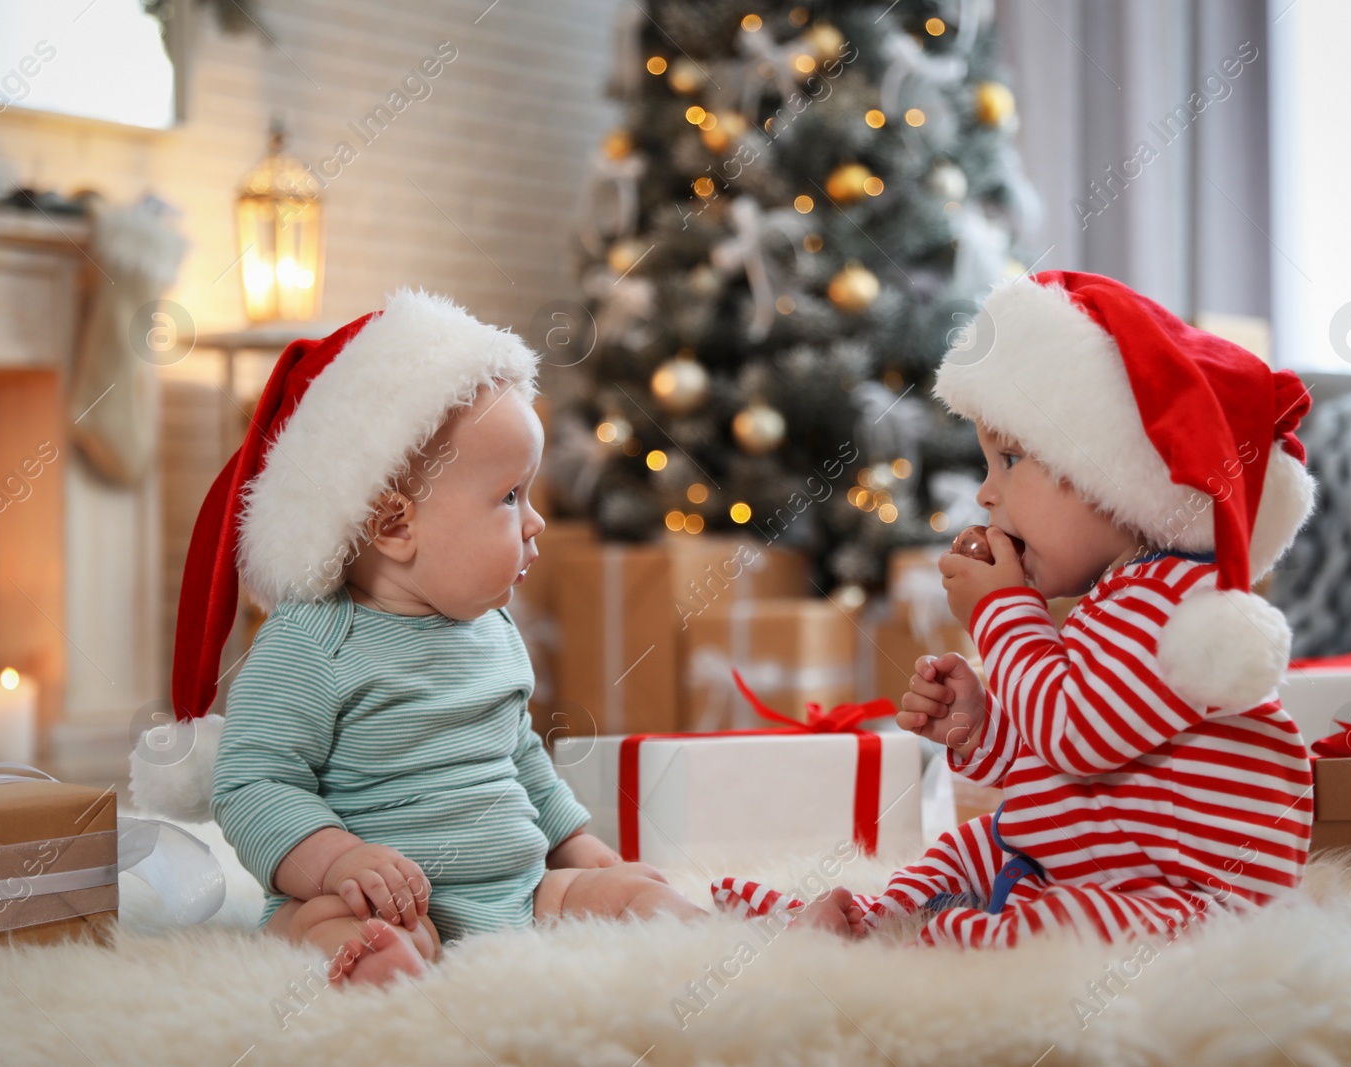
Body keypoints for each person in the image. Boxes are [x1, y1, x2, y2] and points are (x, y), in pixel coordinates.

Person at [137, 290, 862, 987]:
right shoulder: (311, 643)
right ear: (395, 526)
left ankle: (739, 943)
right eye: (510, 496)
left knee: (635, 892)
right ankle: (384, 966)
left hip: (519, 893)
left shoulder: (491, 630)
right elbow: (255, 782)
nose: (536, 520)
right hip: (388, 900)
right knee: (324, 922)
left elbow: (517, 758)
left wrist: (583, 852)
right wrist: (339, 861)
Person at [713, 270, 1318, 947]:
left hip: (1189, 896)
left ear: (1110, 473)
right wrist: (981, 729)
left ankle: (939, 937)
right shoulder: (1120, 598)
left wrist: (1003, 611)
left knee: (1065, 925)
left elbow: (1080, 739)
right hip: (1108, 862)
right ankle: (879, 915)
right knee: (975, 842)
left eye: (1008, 461)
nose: (987, 496)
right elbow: (1068, 763)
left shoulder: (1179, 604)